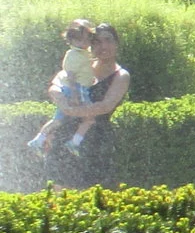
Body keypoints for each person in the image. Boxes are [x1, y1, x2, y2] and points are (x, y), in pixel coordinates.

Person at [44, 24, 129, 178]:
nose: (103, 46)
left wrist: (72, 111)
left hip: (96, 140)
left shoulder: (121, 75)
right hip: (64, 134)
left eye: (108, 40)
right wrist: (62, 102)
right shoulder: (82, 64)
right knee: (58, 192)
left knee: (91, 193)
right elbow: (55, 86)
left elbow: (105, 106)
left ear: (116, 43)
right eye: (96, 41)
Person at [27, 20, 98, 158]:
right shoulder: (74, 54)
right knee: (90, 117)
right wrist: (75, 95)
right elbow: (71, 76)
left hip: (76, 88)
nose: (84, 42)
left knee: (59, 119)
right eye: (80, 40)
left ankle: (38, 140)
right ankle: (74, 142)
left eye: (87, 39)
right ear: (71, 40)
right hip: (78, 89)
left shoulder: (81, 53)